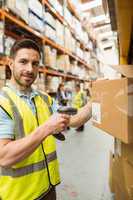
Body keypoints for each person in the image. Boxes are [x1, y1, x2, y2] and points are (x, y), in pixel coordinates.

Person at [0, 39, 92, 200]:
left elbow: (73, 120)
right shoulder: (3, 103)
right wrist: (47, 127)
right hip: (20, 195)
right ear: (10, 63)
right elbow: (4, 157)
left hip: (48, 189)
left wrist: (98, 100)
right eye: (23, 62)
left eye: (35, 64)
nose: (30, 69)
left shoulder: (44, 99)